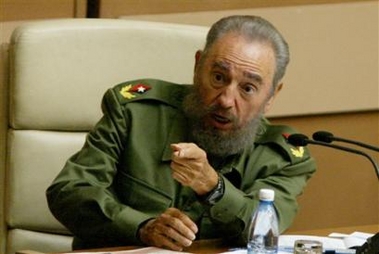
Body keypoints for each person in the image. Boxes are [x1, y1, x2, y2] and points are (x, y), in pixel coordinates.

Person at [46, 15, 316, 251]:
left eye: (247, 88)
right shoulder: (136, 113)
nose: (225, 99)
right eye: (219, 78)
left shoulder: (283, 156)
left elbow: (264, 230)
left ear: (271, 96)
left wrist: (214, 187)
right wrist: (141, 227)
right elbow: (69, 191)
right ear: (198, 66)